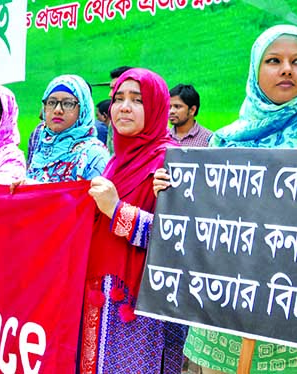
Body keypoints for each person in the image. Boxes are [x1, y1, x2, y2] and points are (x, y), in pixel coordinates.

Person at [183, 25, 297, 374]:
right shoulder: (225, 142)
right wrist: (174, 190)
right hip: (222, 328)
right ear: (255, 69)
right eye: (273, 60)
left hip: (294, 328)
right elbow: (204, 230)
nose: (286, 70)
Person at [82, 67, 186, 373]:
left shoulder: (171, 161)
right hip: (101, 296)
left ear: (156, 107)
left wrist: (118, 211)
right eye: (119, 98)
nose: (124, 107)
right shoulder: (115, 161)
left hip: (142, 306)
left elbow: (179, 240)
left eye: (137, 100)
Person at [26, 74, 109, 182]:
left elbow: (96, 198)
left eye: (68, 104)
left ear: (83, 109)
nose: (57, 110)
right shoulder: (44, 145)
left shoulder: (93, 154)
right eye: (51, 103)